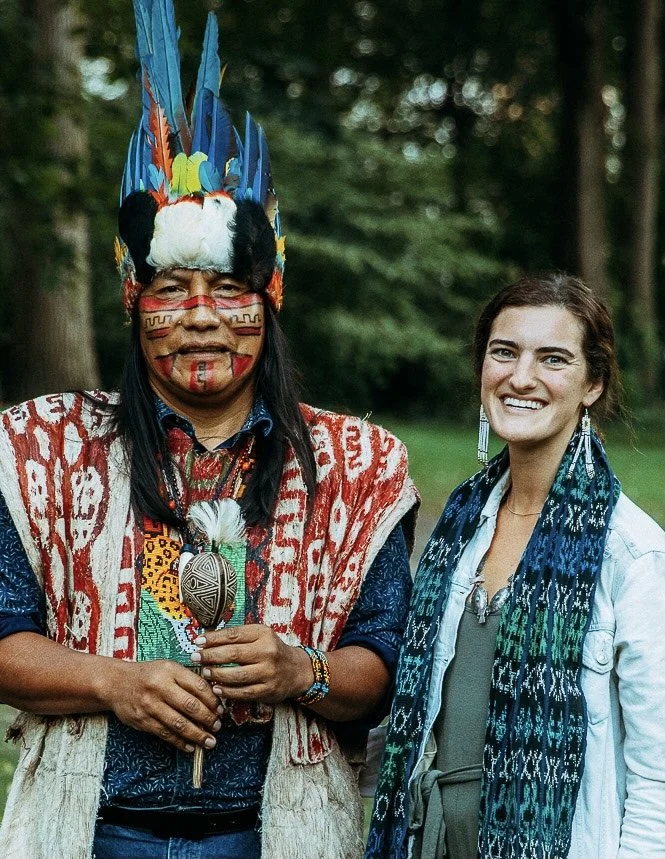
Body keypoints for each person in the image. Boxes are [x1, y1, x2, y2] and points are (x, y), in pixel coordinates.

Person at [0, 3, 418, 858]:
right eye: (170, 290)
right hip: (92, 829)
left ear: (269, 299)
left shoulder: (355, 464)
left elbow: (381, 661)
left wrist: (298, 668)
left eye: (228, 289)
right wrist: (113, 681)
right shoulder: (44, 447)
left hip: (275, 831)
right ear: (133, 303)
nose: (200, 317)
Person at [365, 272, 665, 859]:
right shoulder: (459, 527)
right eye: (504, 352)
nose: (521, 377)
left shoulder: (631, 555)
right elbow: (411, 725)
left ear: (592, 384)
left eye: (553, 359)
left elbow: (657, 779)